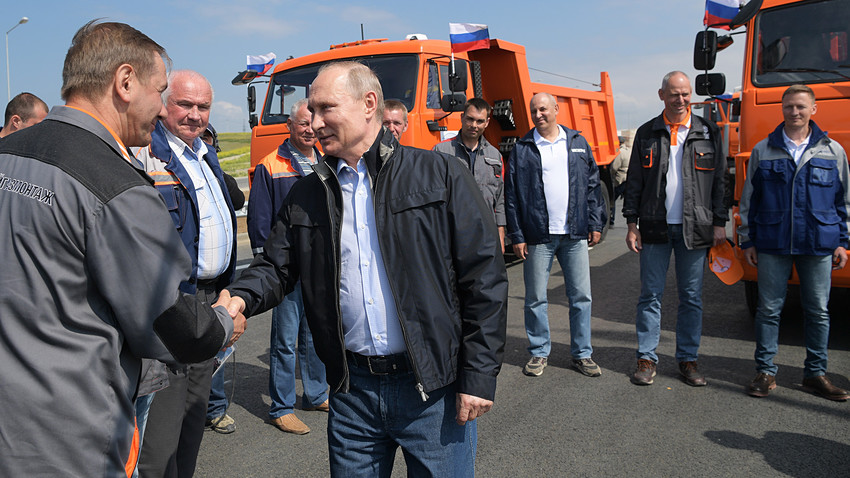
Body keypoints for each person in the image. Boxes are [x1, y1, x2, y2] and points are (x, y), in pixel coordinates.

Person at [216, 61, 508, 477]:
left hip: (432, 390)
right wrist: (240, 296)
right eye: (310, 111)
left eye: (325, 108)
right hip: (353, 393)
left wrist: (478, 375)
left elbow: (484, 279)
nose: (314, 122)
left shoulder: (439, 174)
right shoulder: (308, 193)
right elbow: (276, 266)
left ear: (368, 103)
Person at [0, 21, 240, 477]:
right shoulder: (118, 186)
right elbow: (172, 327)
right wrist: (224, 321)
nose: (162, 107)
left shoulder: (11, 153)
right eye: (161, 90)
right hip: (69, 440)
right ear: (125, 82)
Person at [135, 70, 239, 477]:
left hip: (211, 302)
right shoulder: (147, 154)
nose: (195, 115)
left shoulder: (203, 154)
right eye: (185, 104)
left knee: (193, 423)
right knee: (161, 434)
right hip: (172, 309)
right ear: (164, 104)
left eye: (203, 107)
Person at [739, 84, 850, 401]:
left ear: (814, 109)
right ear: (782, 109)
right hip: (773, 242)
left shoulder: (832, 150)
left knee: (818, 311)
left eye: (801, 106)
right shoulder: (764, 149)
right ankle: (765, 372)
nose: (795, 112)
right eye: (789, 106)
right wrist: (748, 240)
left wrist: (843, 240)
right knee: (769, 310)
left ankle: (816, 373)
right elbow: (750, 200)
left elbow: (844, 200)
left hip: (818, 242)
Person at [623, 71, 726, 387]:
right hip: (654, 227)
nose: (680, 100)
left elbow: (720, 181)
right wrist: (631, 223)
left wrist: (720, 223)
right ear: (661, 95)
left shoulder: (707, 131)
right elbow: (635, 182)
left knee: (691, 297)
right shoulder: (647, 133)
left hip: (695, 229)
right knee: (650, 296)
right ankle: (647, 358)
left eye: (685, 94)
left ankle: (688, 359)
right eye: (673, 94)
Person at [504, 92, 606, 378]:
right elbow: (511, 195)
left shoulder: (576, 143)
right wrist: (517, 235)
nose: (539, 115)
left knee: (581, 296)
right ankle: (538, 352)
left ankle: (582, 354)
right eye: (534, 110)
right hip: (539, 236)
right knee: (535, 298)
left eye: (544, 109)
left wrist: (595, 224)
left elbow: (592, 187)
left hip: (574, 235)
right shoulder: (523, 147)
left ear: (556, 109)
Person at [247, 98, 329, 435]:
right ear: (289, 127)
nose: (310, 129)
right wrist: (271, 270)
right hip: (288, 270)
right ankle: (281, 407)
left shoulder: (326, 161)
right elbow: (259, 222)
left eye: (313, 123)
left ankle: (316, 392)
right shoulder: (271, 165)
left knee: (315, 336)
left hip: (320, 267)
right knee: (284, 340)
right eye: (302, 124)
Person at [434, 98, 506, 251]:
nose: (474, 125)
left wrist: (500, 233)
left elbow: (499, 199)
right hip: (452, 234)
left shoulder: (495, 156)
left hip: (486, 233)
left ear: (487, 123)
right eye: (470, 119)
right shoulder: (441, 152)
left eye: (480, 121)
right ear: (462, 118)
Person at [610, 133, 633, 225]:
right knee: (629, 200)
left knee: (613, 199)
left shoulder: (620, 152)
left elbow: (615, 167)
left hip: (620, 179)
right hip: (629, 178)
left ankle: (611, 219)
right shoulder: (629, 151)